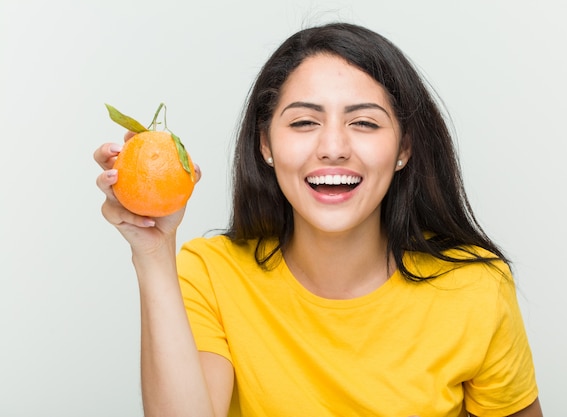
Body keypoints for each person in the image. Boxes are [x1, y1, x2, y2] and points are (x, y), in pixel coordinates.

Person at [95, 22, 542, 417]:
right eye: (305, 122)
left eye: (364, 123)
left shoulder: (475, 287)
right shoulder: (209, 274)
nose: (333, 146)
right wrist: (153, 250)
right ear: (265, 145)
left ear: (404, 149)